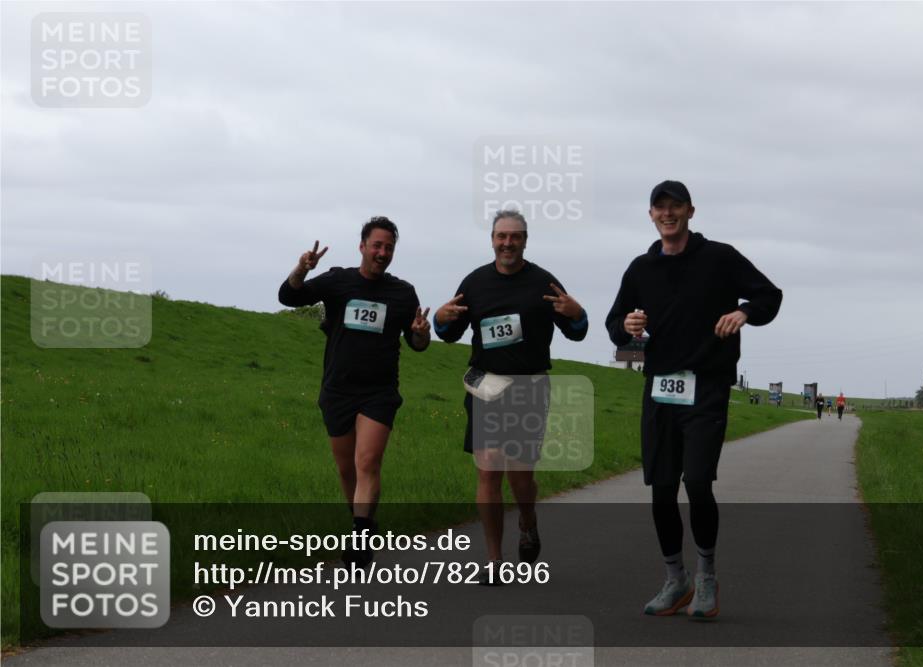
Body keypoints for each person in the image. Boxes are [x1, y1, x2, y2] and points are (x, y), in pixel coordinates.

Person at [605, 180, 781, 619]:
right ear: (650, 215)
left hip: (706, 386)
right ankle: (674, 579)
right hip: (661, 388)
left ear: (690, 211)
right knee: (662, 489)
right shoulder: (640, 268)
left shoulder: (719, 258)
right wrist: (627, 325)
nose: (668, 214)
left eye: (676, 207)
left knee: (698, 482)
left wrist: (743, 312)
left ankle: (706, 577)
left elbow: (769, 295)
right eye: (659, 207)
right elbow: (614, 324)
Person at [434, 210, 588, 578]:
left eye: (515, 237)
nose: (507, 243)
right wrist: (440, 317)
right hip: (486, 383)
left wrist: (578, 312)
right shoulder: (475, 283)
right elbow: (448, 333)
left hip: (529, 386)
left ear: (525, 240)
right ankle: (493, 560)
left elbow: (577, 332)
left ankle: (528, 520)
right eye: (501, 236)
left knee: (520, 476)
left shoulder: (544, 282)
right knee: (488, 469)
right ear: (492, 240)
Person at [278, 217, 430, 566]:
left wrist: (421, 332)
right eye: (377, 245)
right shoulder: (338, 281)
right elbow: (288, 296)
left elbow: (418, 343)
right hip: (338, 390)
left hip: (379, 391)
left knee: (367, 462)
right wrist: (301, 268)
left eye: (389, 247)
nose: (382, 252)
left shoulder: (403, 293)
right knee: (347, 470)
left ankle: (360, 540)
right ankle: (362, 521)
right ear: (362, 246)